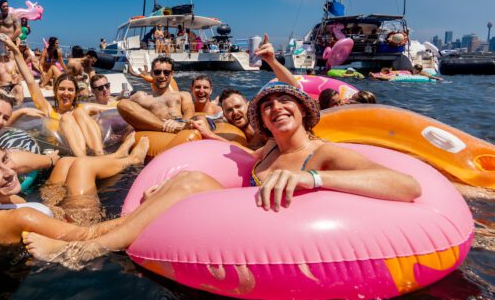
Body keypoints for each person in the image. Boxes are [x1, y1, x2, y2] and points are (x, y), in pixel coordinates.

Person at [23, 81, 421, 264]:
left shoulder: (320, 154)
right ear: (262, 120)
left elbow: (406, 185)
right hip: (238, 224)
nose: (276, 108)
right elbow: (230, 166)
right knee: (181, 180)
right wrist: (174, 178)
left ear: (303, 111)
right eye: (267, 106)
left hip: (279, 243)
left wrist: (313, 179)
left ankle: (88, 248)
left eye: (285, 102)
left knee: (192, 182)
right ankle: (91, 232)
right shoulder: (266, 150)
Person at [0, 136, 148, 239]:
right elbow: (89, 236)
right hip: (79, 221)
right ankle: (131, 161)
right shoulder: (19, 217)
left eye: (4, 160)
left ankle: (120, 157)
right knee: (82, 165)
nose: (9, 172)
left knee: (65, 162)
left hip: (48, 210)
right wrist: (144, 209)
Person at [2, 36, 110, 157]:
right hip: (61, 156)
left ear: (75, 93)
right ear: (55, 91)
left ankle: (99, 155)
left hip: (88, 153)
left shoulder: (82, 109)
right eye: (62, 89)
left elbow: (112, 107)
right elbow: (30, 81)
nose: (66, 93)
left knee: (78, 113)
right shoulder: (48, 110)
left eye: (70, 90)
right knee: (67, 118)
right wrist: (15, 50)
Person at [117, 56, 194, 132]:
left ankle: (175, 128)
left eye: (166, 72)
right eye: (157, 72)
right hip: (158, 133)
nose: (162, 76)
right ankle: (165, 127)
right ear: (151, 73)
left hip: (180, 129)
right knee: (122, 103)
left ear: (172, 73)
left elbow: (189, 110)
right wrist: (119, 97)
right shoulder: (141, 96)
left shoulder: (183, 95)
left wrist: (181, 123)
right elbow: (123, 106)